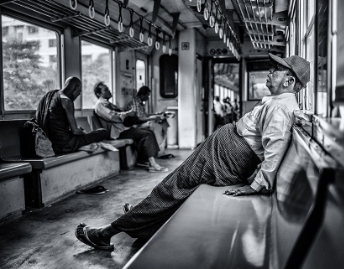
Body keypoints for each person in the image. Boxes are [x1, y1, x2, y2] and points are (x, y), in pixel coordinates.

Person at [75, 53, 310, 249]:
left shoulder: (281, 108)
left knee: (171, 189)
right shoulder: (278, 101)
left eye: (275, 71)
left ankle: (106, 234)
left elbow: (275, 151)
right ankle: (140, 221)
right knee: (177, 190)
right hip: (224, 154)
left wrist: (255, 185)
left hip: (224, 158)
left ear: (289, 81)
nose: (270, 74)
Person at [93, 82, 168, 172]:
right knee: (146, 134)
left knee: (149, 132)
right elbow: (113, 116)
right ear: (98, 94)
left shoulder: (109, 104)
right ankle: (153, 165)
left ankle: (145, 160)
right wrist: (128, 113)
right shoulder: (100, 105)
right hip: (117, 133)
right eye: (105, 90)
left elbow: (120, 111)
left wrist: (129, 114)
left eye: (108, 88)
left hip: (123, 129)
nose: (109, 91)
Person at [36, 77, 109, 154]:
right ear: (76, 88)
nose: (78, 95)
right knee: (103, 132)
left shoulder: (52, 95)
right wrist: (84, 133)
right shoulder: (67, 101)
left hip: (51, 140)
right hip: (64, 144)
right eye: (79, 92)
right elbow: (75, 131)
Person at [126, 86, 169, 155]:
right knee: (155, 126)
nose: (148, 97)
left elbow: (145, 115)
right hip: (136, 124)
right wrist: (154, 117)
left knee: (163, 123)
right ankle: (157, 149)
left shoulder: (140, 103)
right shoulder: (135, 103)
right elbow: (139, 118)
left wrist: (156, 115)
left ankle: (160, 147)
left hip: (142, 121)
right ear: (142, 95)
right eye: (147, 95)